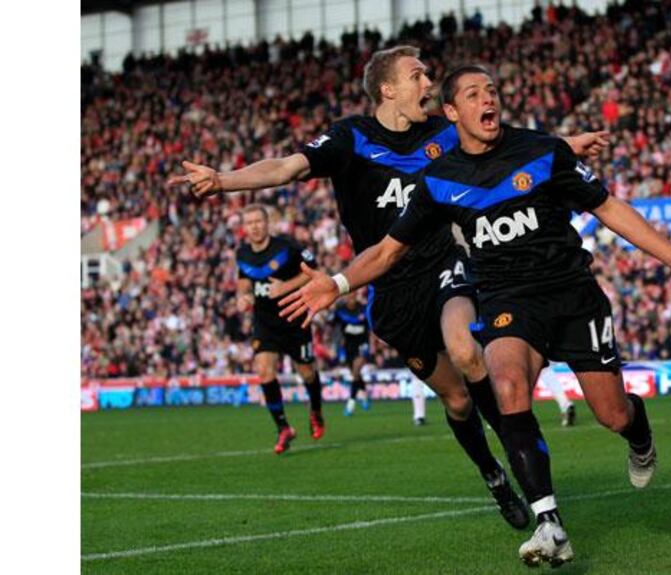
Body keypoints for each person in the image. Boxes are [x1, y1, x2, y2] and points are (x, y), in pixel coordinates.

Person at [278, 64, 671, 567]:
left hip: (572, 294)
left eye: (492, 91)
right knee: (508, 386)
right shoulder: (439, 179)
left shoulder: (542, 151)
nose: (487, 100)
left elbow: (608, 207)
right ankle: (549, 523)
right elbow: (388, 251)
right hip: (507, 300)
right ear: (452, 113)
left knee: (611, 414)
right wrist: (338, 283)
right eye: (473, 94)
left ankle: (638, 430)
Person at [168, 45, 608, 530]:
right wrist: (223, 180)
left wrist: (566, 143)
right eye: (417, 76)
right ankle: (492, 473)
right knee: (456, 400)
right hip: (389, 288)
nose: (428, 84)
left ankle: (524, 462)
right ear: (388, 89)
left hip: (445, 261)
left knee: (467, 349)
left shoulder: (442, 132)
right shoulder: (351, 137)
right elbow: (286, 167)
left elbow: (505, 146)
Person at [234, 204, 324, 454]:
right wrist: (243, 297)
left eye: (258, 221)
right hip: (265, 322)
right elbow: (243, 281)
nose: (254, 227)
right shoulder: (242, 253)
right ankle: (283, 428)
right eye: (249, 223)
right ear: (244, 228)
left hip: (294, 317)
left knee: (306, 372)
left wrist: (285, 287)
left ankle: (316, 410)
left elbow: (313, 272)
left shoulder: (287, 247)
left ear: (267, 223)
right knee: (264, 371)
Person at [334, 296, 371, 416]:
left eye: (353, 296)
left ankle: (351, 403)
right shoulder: (340, 311)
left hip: (362, 344)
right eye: (349, 297)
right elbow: (332, 324)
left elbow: (371, 325)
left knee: (356, 370)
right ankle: (364, 395)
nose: (351, 299)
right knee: (355, 374)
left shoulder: (363, 309)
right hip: (348, 346)